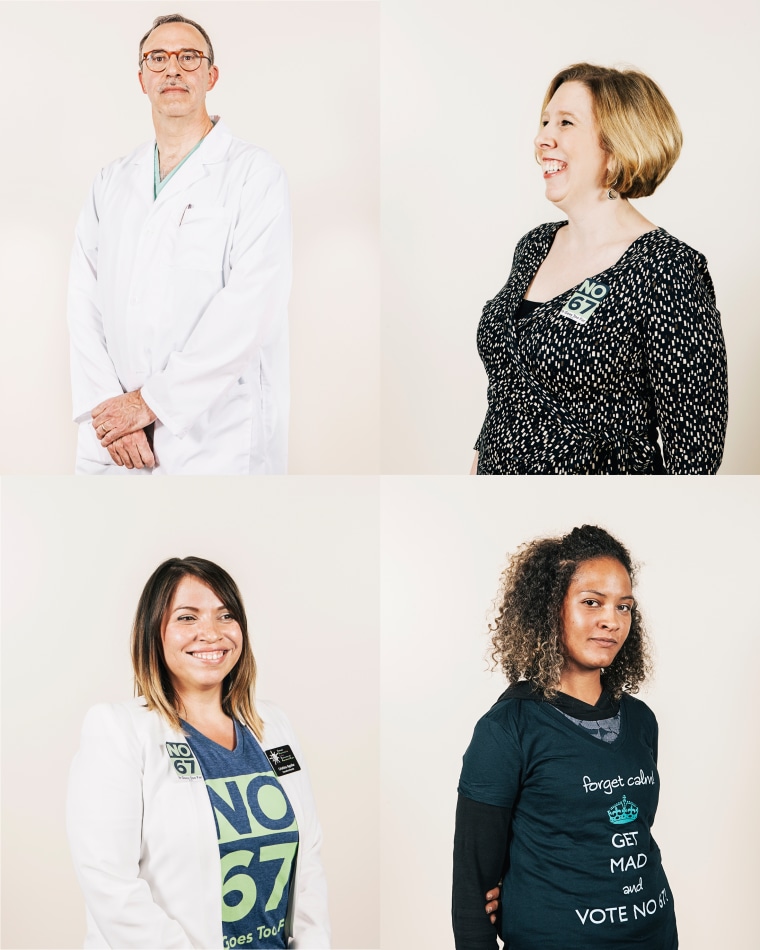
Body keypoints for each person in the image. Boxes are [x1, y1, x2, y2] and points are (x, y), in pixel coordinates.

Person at [471, 63, 727, 475]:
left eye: (566, 123)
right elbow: (506, 397)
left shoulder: (667, 269)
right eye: (545, 121)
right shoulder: (535, 246)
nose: (542, 138)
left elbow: (694, 460)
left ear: (617, 144)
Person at [67, 557, 330, 948]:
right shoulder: (118, 730)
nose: (210, 632)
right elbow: (110, 884)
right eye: (187, 618)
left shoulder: (273, 726)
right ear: (153, 632)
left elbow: (306, 863)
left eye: (225, 616)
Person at [68, 14, 291, 475]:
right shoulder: (111, 181)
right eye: (158, 58)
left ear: (211, 75)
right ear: (142, 78)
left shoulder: (254, 173)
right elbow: (82, 302)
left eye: (189, 57)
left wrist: (151, 403)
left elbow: (251, 306)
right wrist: (113, 409)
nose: (173, 68)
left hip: (215, 434)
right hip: (116, 436)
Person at [452, 525, 677, 949]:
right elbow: (471, 895)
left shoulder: (641, 720)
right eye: (592, 602)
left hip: (655, 935)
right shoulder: (506, 729)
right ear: (550, 607)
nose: (611, 620)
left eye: (624, 607)